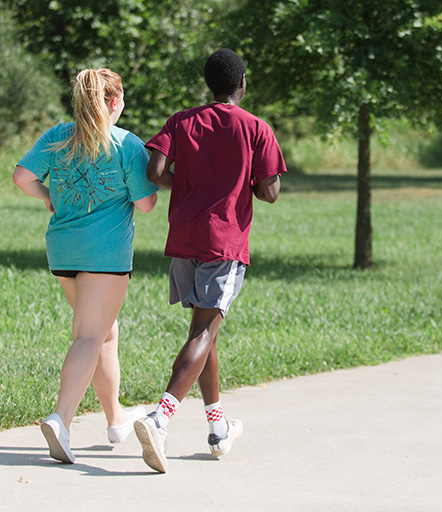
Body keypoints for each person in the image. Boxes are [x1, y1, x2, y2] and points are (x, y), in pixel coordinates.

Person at [133, 48, 286, 473]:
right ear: (243, 83)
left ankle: (218, 428)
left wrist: (186, 182)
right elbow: (269, 192)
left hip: (184, 236)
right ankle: (159, 418)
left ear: (208, 84)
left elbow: (154, 170)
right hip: (224, 242)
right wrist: (248, 180)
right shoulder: (257, 128)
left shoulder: (182, 120)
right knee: (203, 331)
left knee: (204, 333)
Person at [12, 68, 159, 464]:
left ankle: (115, 419)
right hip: (105, 254)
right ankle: (61, 418)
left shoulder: (57, 136)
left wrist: (48, 196)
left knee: (105, 332)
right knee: (89, 335)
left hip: (63, 250)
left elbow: (22, 176)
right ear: (114, 102)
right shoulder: (127, 144)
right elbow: (146, 204)